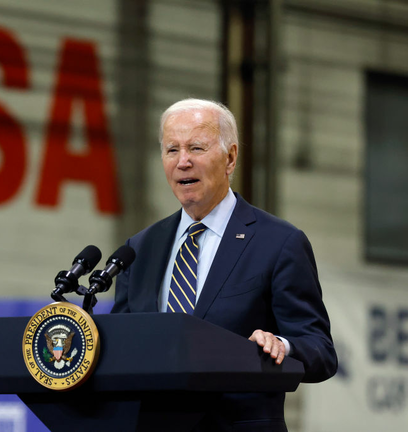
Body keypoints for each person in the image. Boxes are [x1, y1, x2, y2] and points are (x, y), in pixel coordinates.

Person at [111, 98, 337, 431]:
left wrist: (282, 345)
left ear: (230, 158)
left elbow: (321, 350)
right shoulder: (139, 248)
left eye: (196, 148)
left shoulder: (279, 243)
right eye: (172, 150)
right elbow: (123, 345)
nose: (183, 162)